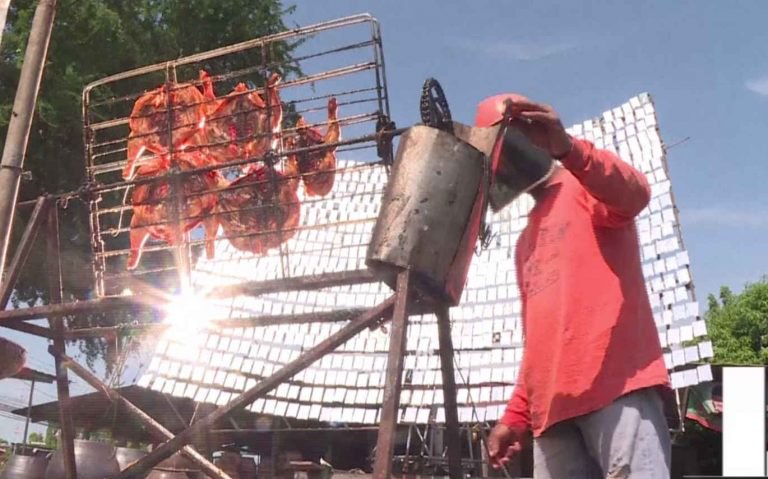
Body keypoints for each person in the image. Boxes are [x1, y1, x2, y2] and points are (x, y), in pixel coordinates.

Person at [475, 94, 674, 478]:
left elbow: (636, 193)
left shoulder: (587, 184)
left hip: (616, 388)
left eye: (501, 151)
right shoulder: (525, 242)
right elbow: (538, 342)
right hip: (552, 416)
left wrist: (568, 149)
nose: (500, 168)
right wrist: (515, 417)